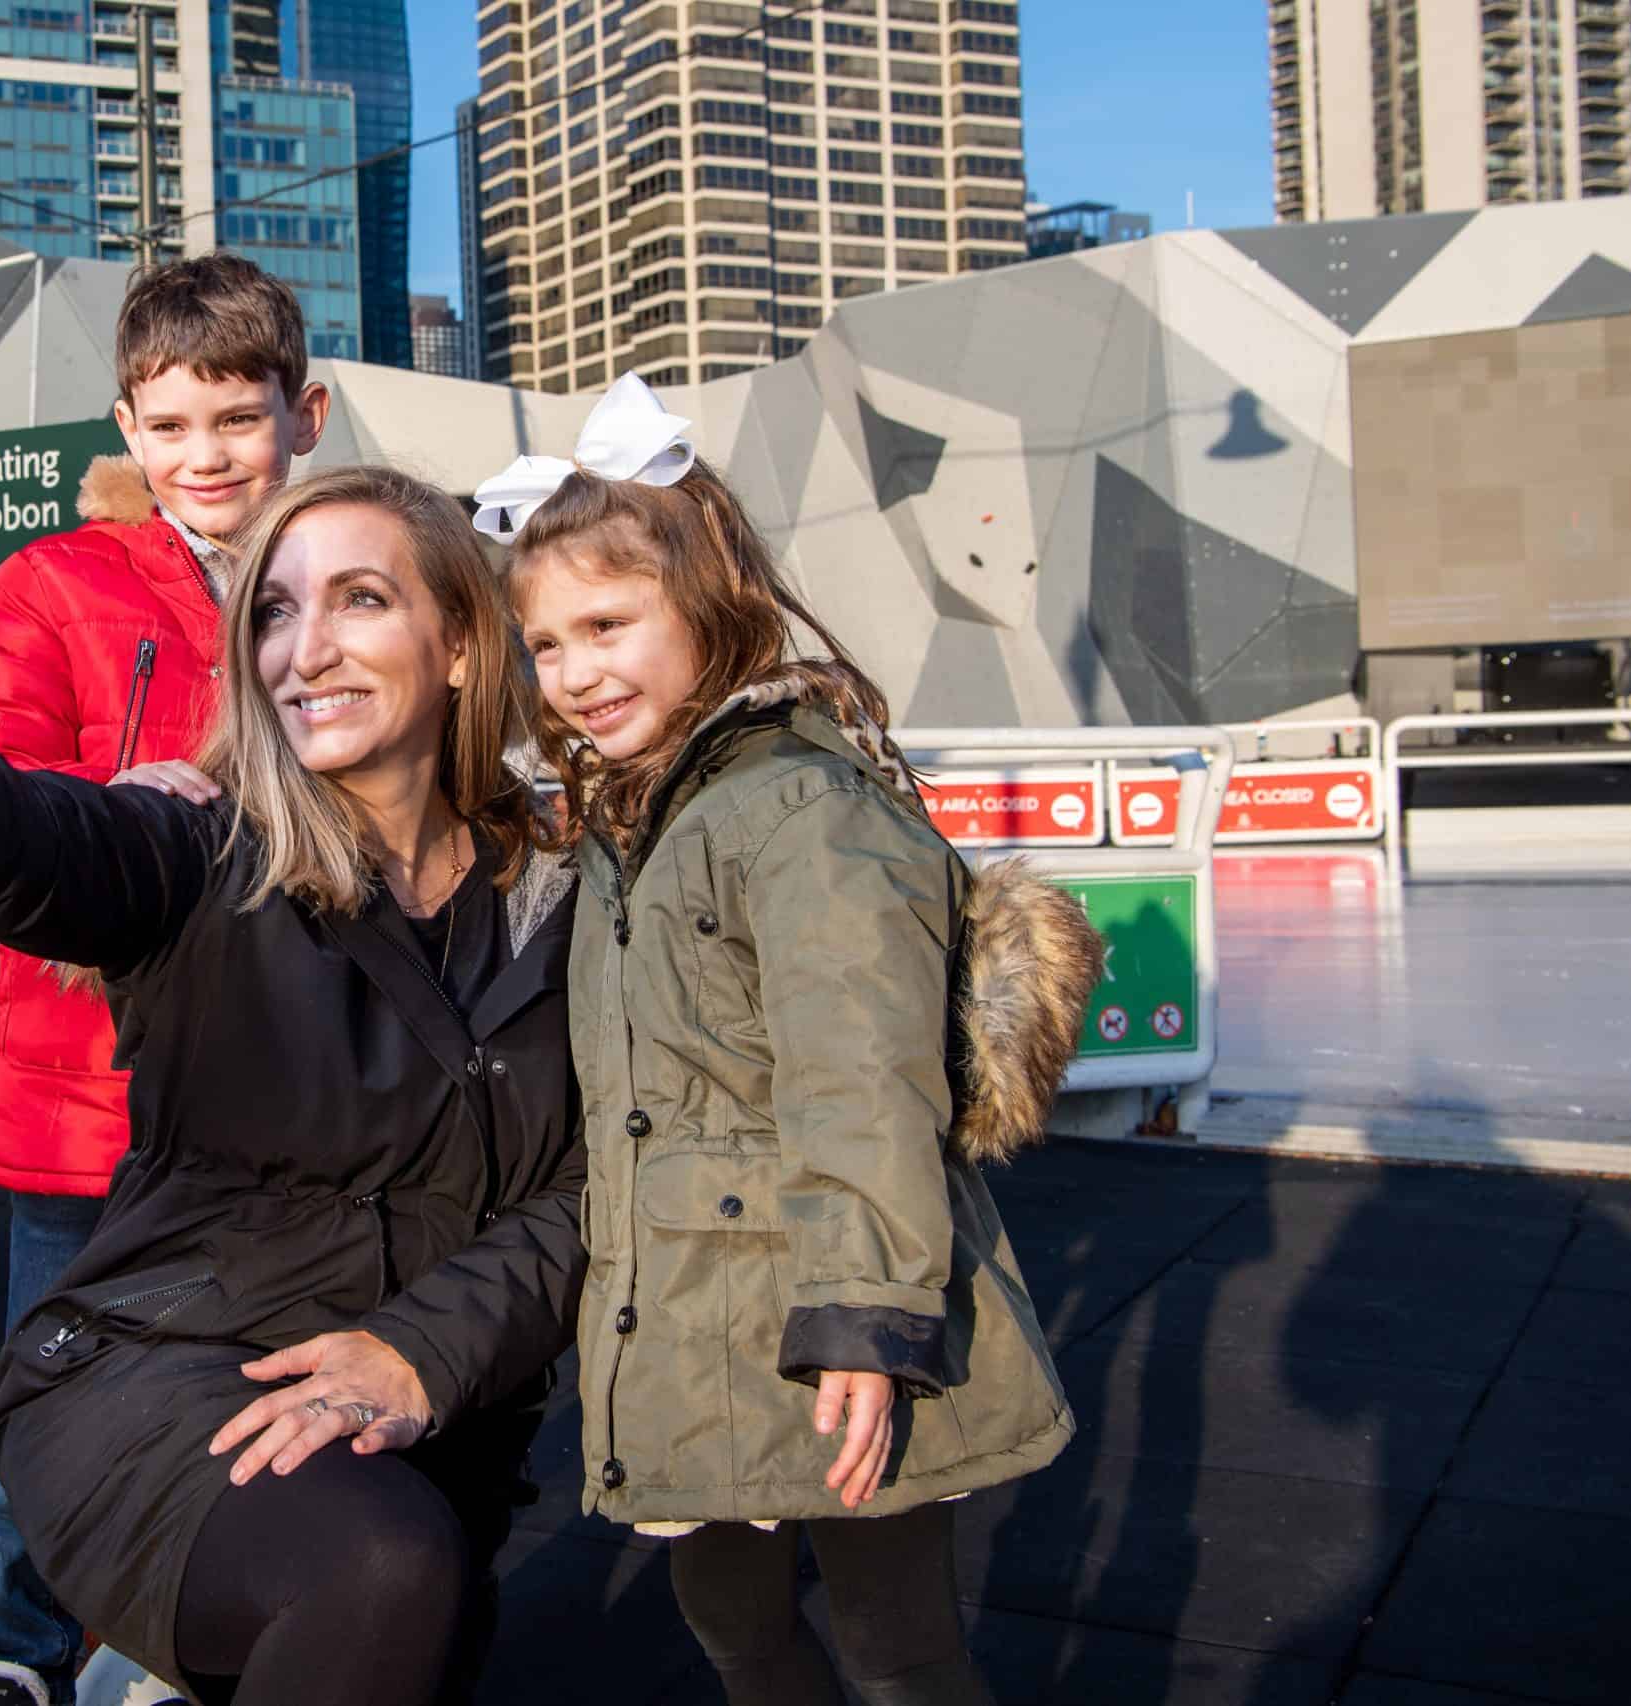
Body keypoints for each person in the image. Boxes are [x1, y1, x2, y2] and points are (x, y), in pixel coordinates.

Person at [0, 456, 584, 1706]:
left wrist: (425, 1348)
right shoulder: (199, 847)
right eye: (271, 609)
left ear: (466, 644)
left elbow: (600, 1184)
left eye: (360, 599)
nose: (303, 649)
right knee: (380, 1570)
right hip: (165, 1373)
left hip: (419, 1409)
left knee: (403, 1600)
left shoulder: (569, 893)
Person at [474, 375, 1100, 1706]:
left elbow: (858, 1081)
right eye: (546, 642)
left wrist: (869, 1319)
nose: (575, 672)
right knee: (734, 1630)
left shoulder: (799, 809)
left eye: (606, 624)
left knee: (897, 1646)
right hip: (692, 1310)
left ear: (706, 602)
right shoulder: (639, 821)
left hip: (821, 1311)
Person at [0, 254, 328, 1706]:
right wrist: (111, 808)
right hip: (94, 1099)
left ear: (308, 412)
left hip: (306, 1100)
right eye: (169, 425)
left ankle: (202, 1643)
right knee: (54, 1413)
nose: (205, 454)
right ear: (126, 427)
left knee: (276, 1409)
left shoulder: (353, 579)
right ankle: (6, 1658)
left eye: (237, 415)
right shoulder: (57, 583)